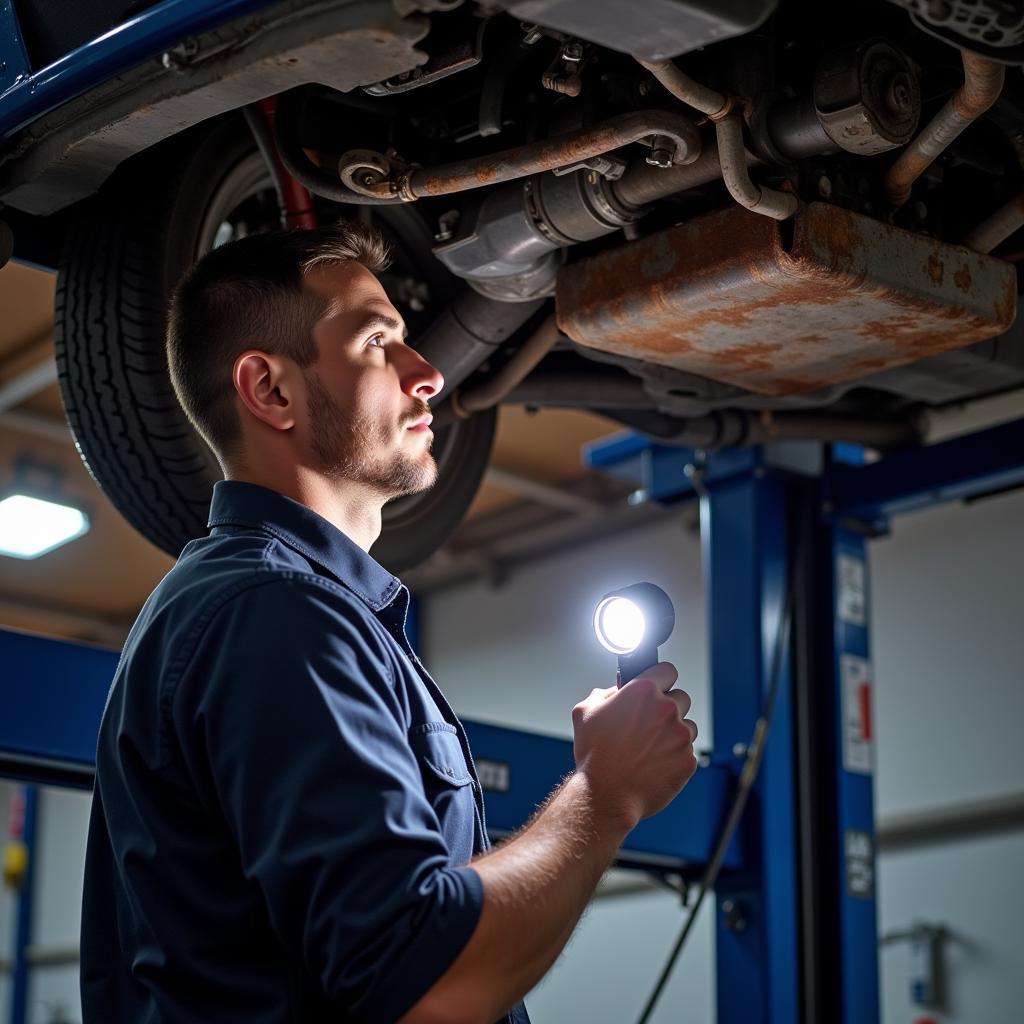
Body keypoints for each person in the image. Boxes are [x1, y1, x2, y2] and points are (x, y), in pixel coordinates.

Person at [79, 221, 699, 1024]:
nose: (430, 373)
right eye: (379, 343)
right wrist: (604, 795)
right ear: (271, 391)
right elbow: (425, 980)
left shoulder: (279, 610)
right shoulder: (273, 615)